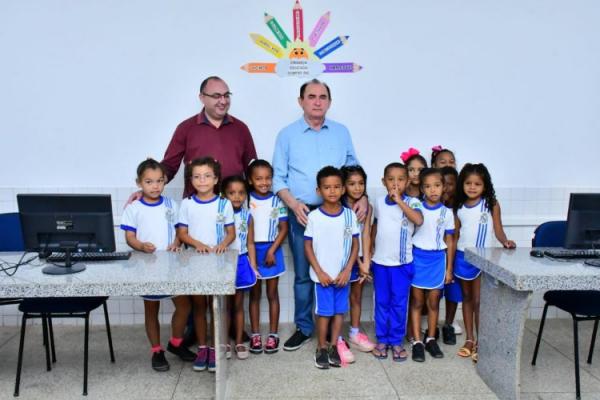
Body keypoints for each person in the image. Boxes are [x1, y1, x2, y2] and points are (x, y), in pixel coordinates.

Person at [272, 79, 367, 351]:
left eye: (322, 97)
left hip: (338, 214)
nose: (317, 101)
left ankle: (335, 332)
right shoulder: (287, 135)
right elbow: (278, 178)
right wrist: (292, 203)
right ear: (300, 101)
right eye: (311, 96)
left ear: (329, 101)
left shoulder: (341, 132)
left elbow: (353, 170)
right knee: (304, 273)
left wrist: (362, 197)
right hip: (303, 213)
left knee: (338, 271)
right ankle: (305, 327)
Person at [120, 158, 195, 371]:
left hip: (172, 267)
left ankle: (176, 343)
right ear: (139, 183)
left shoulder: (173, 205)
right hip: (148, 268)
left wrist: (177, 243)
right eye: (149, 181)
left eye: (159, 181)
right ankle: (156, 351)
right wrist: (141, 246)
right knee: (151, 309)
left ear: (164, 182)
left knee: (184, 305)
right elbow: (129, 237)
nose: (155, 186)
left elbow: (181, 231)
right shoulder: (133, 208)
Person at [176, 157, 236, 372]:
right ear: (191, 180)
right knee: (199, 307)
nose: (202, 181)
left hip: (219, 263)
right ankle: (203, 348)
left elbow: (231, 233)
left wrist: (223, 244)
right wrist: (198, 244)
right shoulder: (187, 204)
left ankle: (216, 346)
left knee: (218, 306)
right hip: (195, 262)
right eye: (197, 176)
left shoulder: (224, 203)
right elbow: (182, 233)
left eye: (207, 176)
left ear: (216, 179)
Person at [453, 163, 516, 362]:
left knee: (480, 301)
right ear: (462, 184)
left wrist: (505, 241)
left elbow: (498, 229)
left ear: (485, 185)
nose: (472, 187)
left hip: (484, 259)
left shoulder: (491, 204)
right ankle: (470, 339)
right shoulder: (459, 207)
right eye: (468, 183)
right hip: (463, 257)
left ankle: (483, 341)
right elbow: (455, 235)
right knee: (467, 298)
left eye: (477, 184)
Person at [161, 76, 257, 198]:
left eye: (226, 95)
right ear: (202, 98)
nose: (223, 101)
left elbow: (253, 170)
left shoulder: (241, 128)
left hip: (233, 206)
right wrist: (147, 189)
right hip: (196, 206)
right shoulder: (185, 128)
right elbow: (169, 166)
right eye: (216, 96)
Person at [304, 166, 359, 369]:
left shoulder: (349, 216)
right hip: (323, 277)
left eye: (337, 187)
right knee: (325, 313)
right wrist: (319, 271)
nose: (332, 191)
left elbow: (355, 244)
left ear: (343, 189)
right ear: (319, 191)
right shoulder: (314, 217)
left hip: (342, 276)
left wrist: (347, 271)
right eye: (327, 187)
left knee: (339, 312)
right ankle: (321, 347)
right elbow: (307, 245)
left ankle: (335, 345)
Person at [370, 162, 423, 361]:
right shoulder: (378, 202)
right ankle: (382, 339)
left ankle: (396, 341)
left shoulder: (413, 202)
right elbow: (374, 227)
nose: (395, 184)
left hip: (402, 264)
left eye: (400, 179)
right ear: (384, 182)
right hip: (381, 263)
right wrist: (371, 252)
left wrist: (400, 201)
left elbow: (418, 220)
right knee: (382, 303)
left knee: (399, 304)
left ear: (407, 181)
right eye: (391, 179)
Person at [409, 168, 455, 362]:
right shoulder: (416, 207)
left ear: (443, 187)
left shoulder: (447, 212)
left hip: (438, 261)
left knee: (434, 301)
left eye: (437, 185)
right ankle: (417, 341)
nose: (433, 190)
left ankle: (431, 338)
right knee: (418, 301)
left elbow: (450, 240)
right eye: (428, 186)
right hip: (418, 258)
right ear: (422, 188)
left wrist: (449, 269)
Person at [246, 159, 288, 354]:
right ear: (250, 180)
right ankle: (255, 334)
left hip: (272, 250)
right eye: (259, 178)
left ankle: (273, 335)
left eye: (268, 178)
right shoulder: (246, 200)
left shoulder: (277, 200)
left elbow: (283, 228)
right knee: (254, 295)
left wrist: (272, 250)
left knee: (272, 294)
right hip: (251, 251)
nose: (264, 182)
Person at [222, 175, 259, 360]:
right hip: (223, 262)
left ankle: (238, 341)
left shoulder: (247, 216)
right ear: (224, 194)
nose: (236, 197)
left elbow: (250, 243)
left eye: (241, 193)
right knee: (225, 307)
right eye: (232, 193)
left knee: (238, 305)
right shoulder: (219, 214)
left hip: (242, 262)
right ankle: (225, 342)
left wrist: (253, 265)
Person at [340, 165, 375, 352]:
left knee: (356, 296)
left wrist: (366, 261)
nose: (357, 188)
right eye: (352, 184)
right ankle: (336, 336)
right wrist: (359, 263)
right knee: (338, 297)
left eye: (361, 183)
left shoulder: (366, 207)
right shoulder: (339, 207)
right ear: (343, 185)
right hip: (342, 259)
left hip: (361, 257)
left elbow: (366, 233)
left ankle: (354, 332)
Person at [439, 165, 462, 344]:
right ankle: (429, 328)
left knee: (453, 294)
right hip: (435, 260)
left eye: (451, 184)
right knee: (432, 295)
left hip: (453, 259)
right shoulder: (431, 207)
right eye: (443, 184)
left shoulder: (458, 210)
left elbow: (454, 238)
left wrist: (451, 264)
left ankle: (448, 325)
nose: (446, 188)